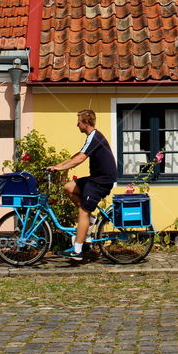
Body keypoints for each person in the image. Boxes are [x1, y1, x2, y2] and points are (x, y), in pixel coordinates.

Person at [47, 109, 117, 261]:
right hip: (96, 178)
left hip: (101, 181)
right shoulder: (91, 137)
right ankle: (89, 219)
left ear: (85, 122)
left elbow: (81, 159)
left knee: (83, 211)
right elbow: (77, 155)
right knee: (69, 187)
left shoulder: (95, 136)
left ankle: (77, 250)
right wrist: (57, 166)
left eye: (78, 121)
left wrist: (60, 168)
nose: (76, 124)